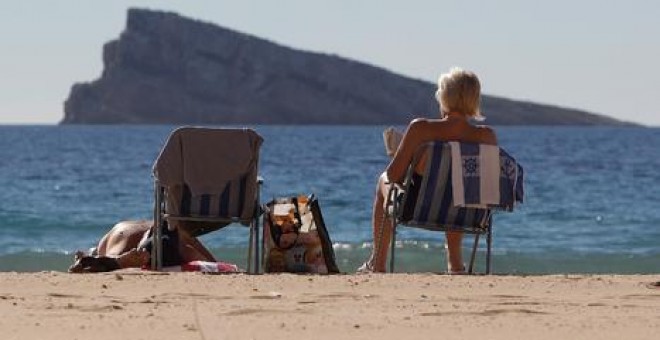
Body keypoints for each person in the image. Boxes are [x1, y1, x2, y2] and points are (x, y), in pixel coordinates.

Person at [359, 67, 497, 274]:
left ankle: (377, 264)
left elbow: (393, 176)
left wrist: (401, 157)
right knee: (458, 190)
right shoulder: (487, 137)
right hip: (470, 214)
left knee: (382, 180)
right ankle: (456, 264)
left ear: (444, 97)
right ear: (474, 99)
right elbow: (487, 185)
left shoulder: (421, 129)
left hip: (417, 209)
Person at [68, 220, 217, 273]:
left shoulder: (119, 233)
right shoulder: (177, 233)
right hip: (165, 238)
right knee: (190, 254)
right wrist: (216, 263)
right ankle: (117, 261)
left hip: (128, 233)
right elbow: (208, 260)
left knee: (114, 256)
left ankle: (116, 261)